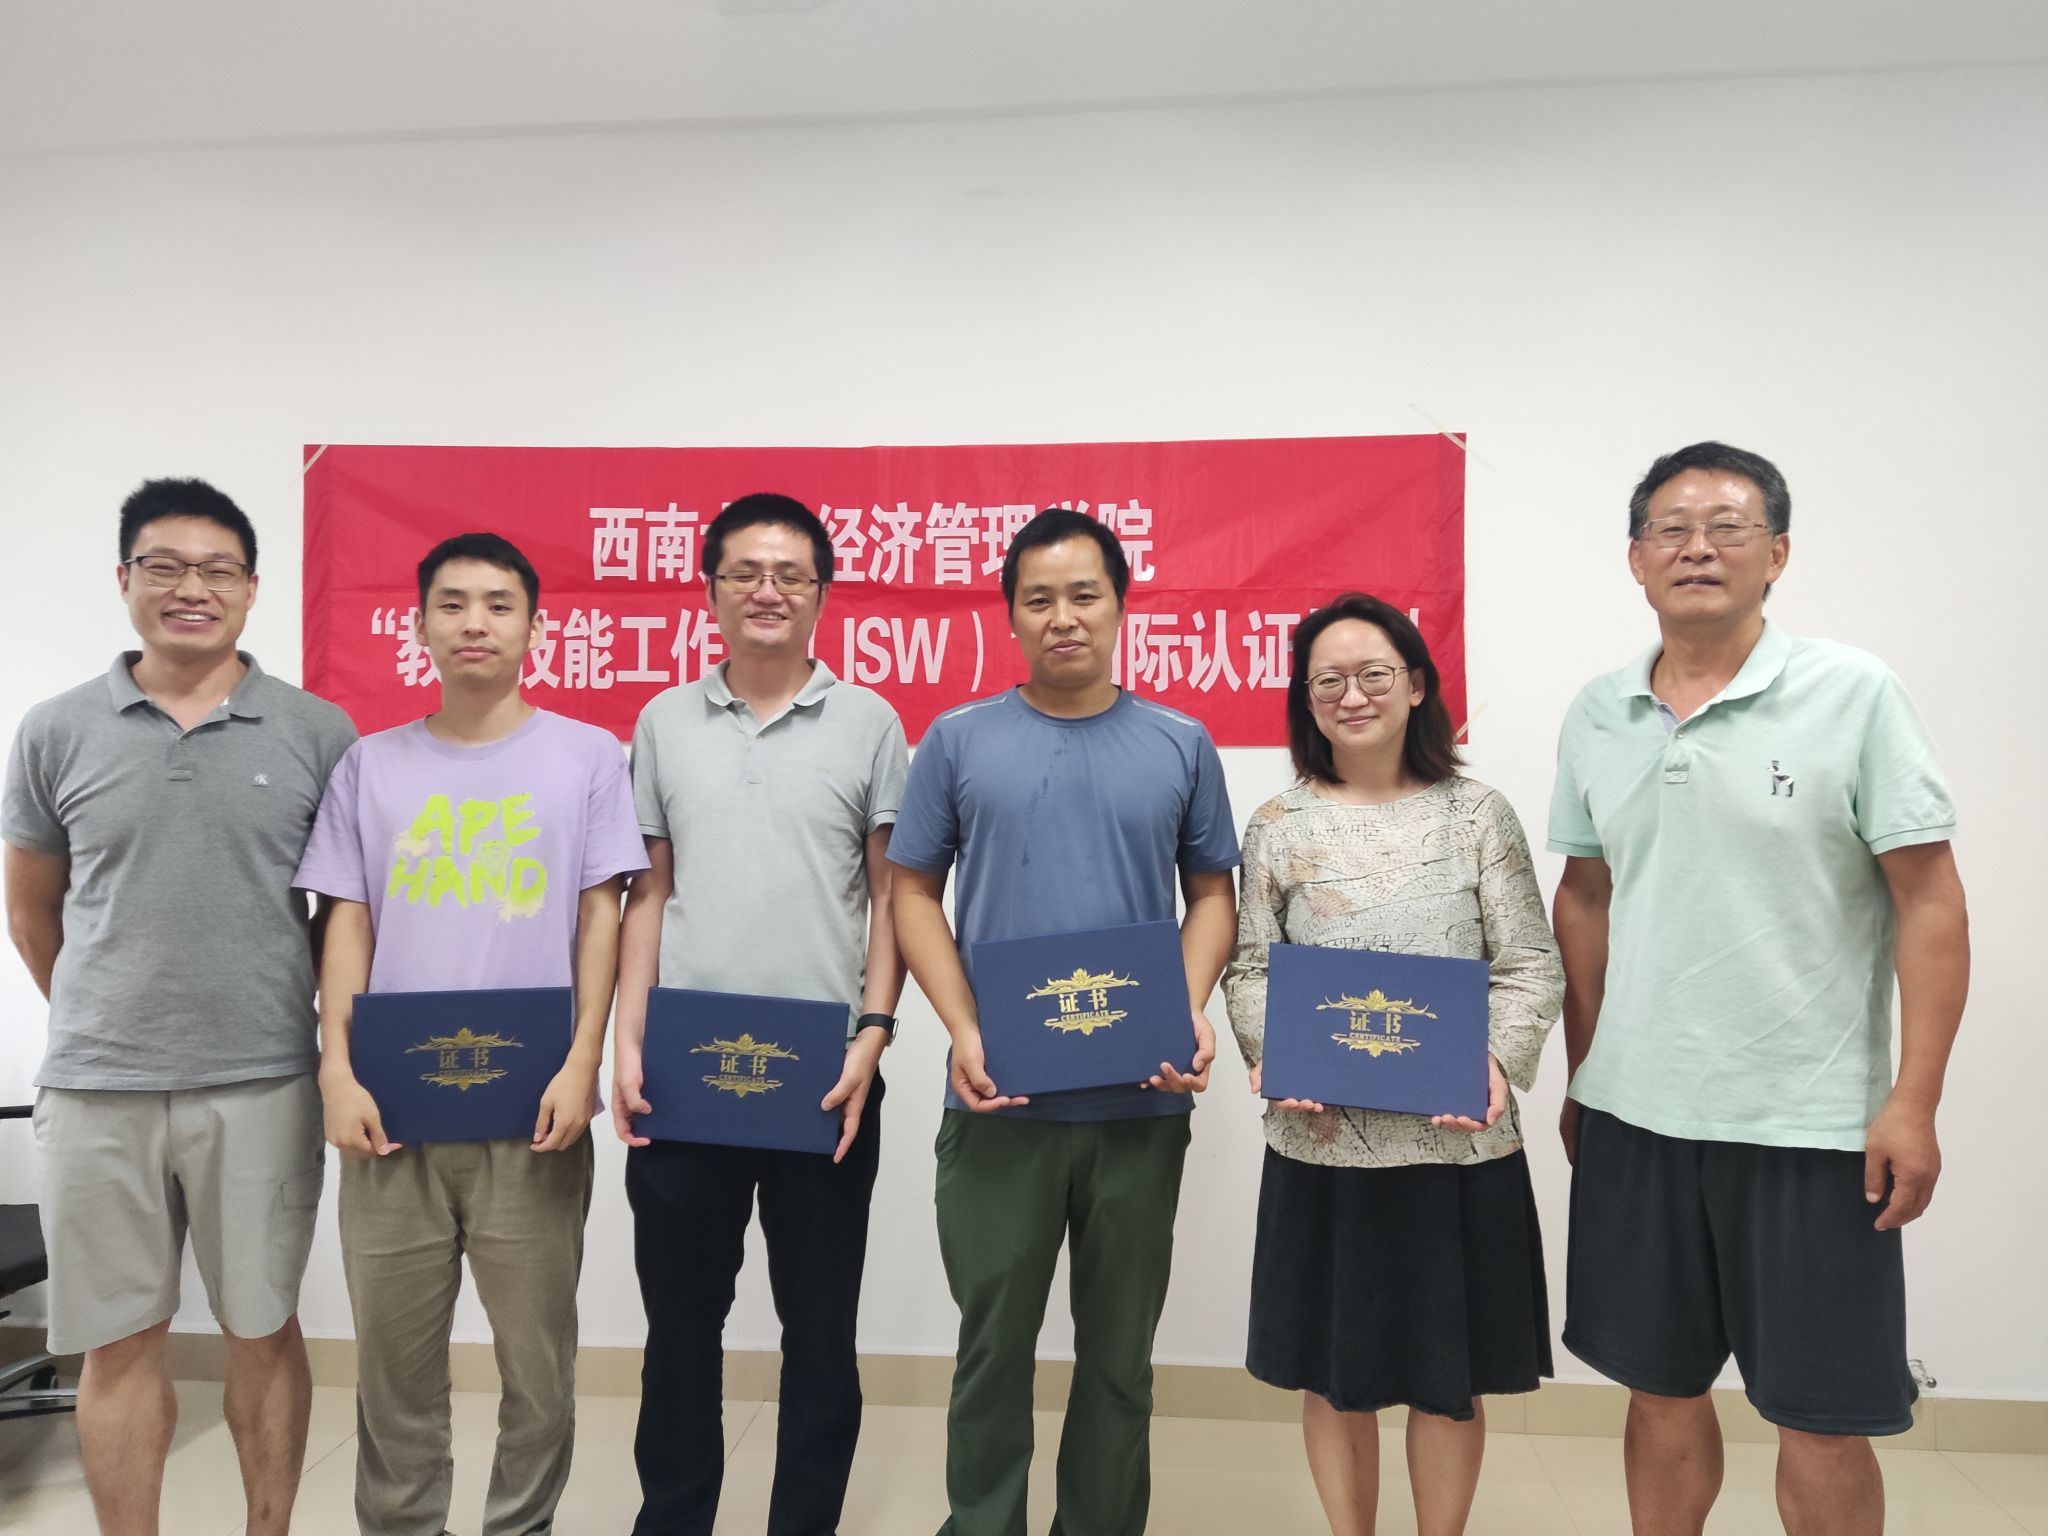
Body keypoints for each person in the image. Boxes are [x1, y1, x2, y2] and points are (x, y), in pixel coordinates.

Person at [1550, 442, 1969, 1536]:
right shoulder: (1597, 711)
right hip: (1637, 1118)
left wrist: (1913, 1100)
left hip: (1809, 1124)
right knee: (1658, 1390)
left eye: (1727, 527)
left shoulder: (1853, 693)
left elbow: (1928, 899)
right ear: (1635, 558)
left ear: (1776, 553)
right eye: (1670, 529)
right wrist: (1585, 1072)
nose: (1696, 548)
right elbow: (1584, 898)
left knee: (1821, 1419)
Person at [2, 478, 356, 1536]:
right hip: (98, 1089)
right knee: (117, 1344)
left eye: (216, 570)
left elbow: (341, 917)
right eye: (164, 567)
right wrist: (108, 1012)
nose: (190, 588)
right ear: (125, 580)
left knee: (263, 1328)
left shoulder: (317, 731)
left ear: (251, 588)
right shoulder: (56, 730)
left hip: (263, 1081)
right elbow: (32, 907)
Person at [888, 507, 1239, 1536]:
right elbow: (912, 892)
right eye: (1038, 599)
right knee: (992, 1352)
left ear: (1120, 606)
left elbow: (1211, 896)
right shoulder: (957, 740)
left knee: (1120, 1357)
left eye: (1084, 594)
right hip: (1001, 1101)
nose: (1063, 617)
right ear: (1009, 616)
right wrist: (962, 1028)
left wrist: (1184, 1009)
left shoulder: (1179, 742)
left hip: (1140, 1101)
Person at [294, 532, 647, 1536]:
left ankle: (519, 1525)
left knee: (538, 1367)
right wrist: (335, 1069)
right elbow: (347, 921)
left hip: (530, 1110)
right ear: (419, 625)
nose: (475, 623)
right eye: (451, 604)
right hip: (391, 1112)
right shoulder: (370, 766)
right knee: (392, 1370)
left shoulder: (587, 756)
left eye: (498, 604)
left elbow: (601, 916)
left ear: (535, 626)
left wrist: (582, 1060)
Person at [1223, 592, 1561, 1536]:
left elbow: (1530, 962)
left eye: (1374, 674)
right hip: (1323, 1141)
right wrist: (1276, 1052)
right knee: (1333, 1372)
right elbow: (1250, 967)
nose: (1353, 695)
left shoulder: (1476, 814)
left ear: (1415, 685)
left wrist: (1495, 1062)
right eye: (1328, 680)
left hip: (1457, 1144)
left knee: (1449, 1377)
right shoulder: (1278, 823)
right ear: (1305, 699)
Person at [611, 493, 909, 1536]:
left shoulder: (870, 723)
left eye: (789, 574)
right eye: (744, 572)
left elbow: (891, 896)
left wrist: (873, 1034)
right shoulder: (663, 722)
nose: (767, 591)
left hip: (823, 1077)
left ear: (821, 592)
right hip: (684, 1074)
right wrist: (628, 1042)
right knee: (679, 1331)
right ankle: (673, 1518)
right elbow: (648, 892)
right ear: (711, 591)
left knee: (819, 1333)